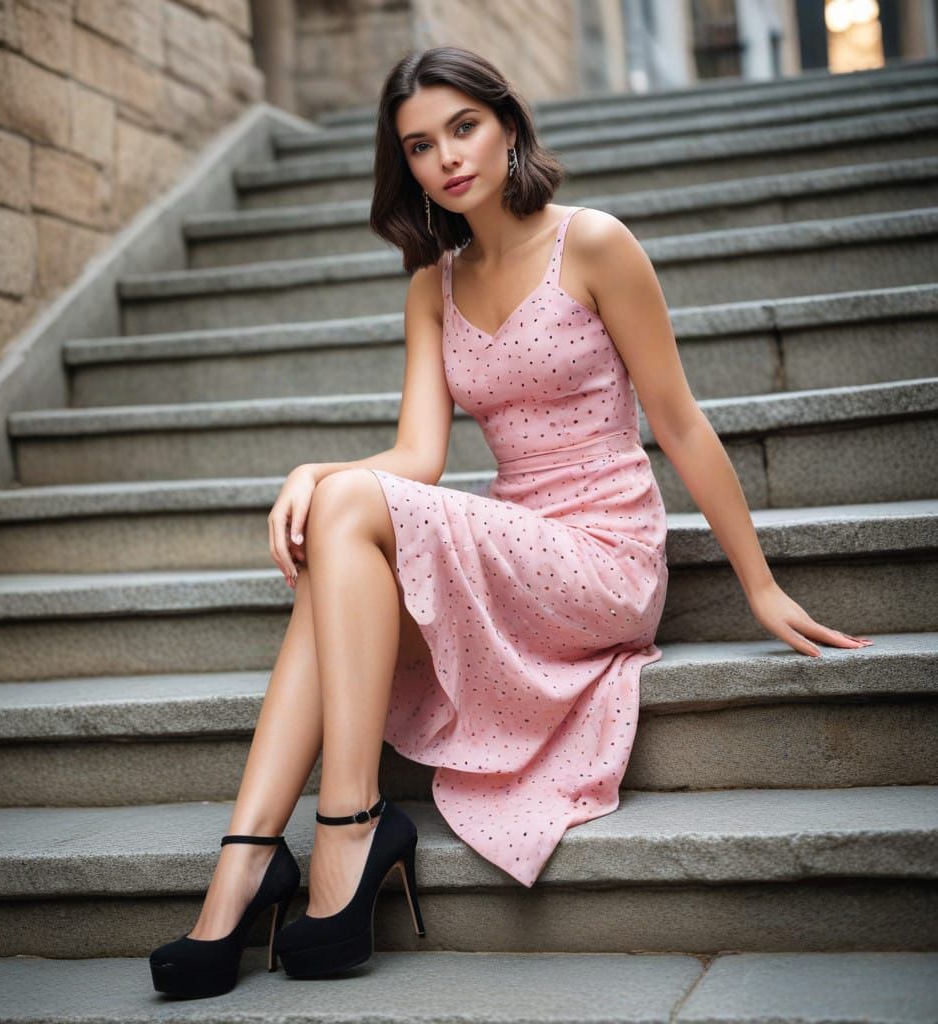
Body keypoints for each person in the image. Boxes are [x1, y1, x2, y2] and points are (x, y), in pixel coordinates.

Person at [150, 44, 874, 998]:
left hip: (602, 557)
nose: (447, 159)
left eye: (464, 128)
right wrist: (311, 470)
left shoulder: (596, 242)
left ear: (507, 125)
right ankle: (246, 862)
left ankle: (346, 827)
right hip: (512, 539)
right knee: (339, 523)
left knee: (347, 510)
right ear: (402, 165)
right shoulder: (430, 288)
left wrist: (761, 584)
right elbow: (417, 459)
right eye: (419, 145)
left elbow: (681, 422)